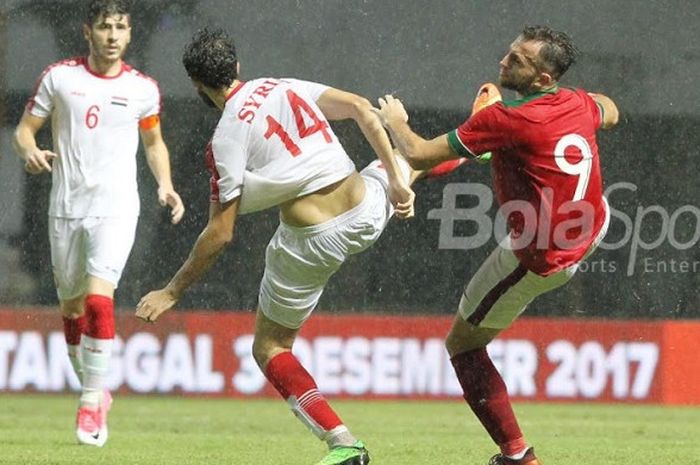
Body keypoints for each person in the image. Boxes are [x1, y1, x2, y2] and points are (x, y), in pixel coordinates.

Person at [134, 27, 432, 465]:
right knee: (412, 158)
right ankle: (478, 143)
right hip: (367, 211)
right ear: (237, 67)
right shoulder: (281, 85)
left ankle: (342, 441)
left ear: (197, 86)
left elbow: (221, 233)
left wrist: (172, 291)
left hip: (313, 244)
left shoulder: (225, 140)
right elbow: (362, 111)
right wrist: (396, 184)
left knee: (270, 347)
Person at [373, 25, 619, 465]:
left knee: (462, 346)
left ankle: (519, 456)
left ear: (543, 79)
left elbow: (417, 153)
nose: (504, 62)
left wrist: (395, 123)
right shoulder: (576, 103)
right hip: (593, 225)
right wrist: (590, 107)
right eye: (509, 53)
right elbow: (611, 109)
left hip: (540, 258)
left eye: (518, 60)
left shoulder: (504, 120)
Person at [13, 0, 185, 447]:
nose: (112, 35)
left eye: (120, 27)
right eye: (105, 26)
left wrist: (165, 184)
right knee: (71, 311)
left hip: (116, 208)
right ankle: (96, 390)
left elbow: (153, 142)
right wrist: (28, 150)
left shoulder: (142, 88)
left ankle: (90, 401)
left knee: (97, 301)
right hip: (65, 208)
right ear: (88, 31)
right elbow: (25, 129)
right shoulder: (60, 78)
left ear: (129, 35)